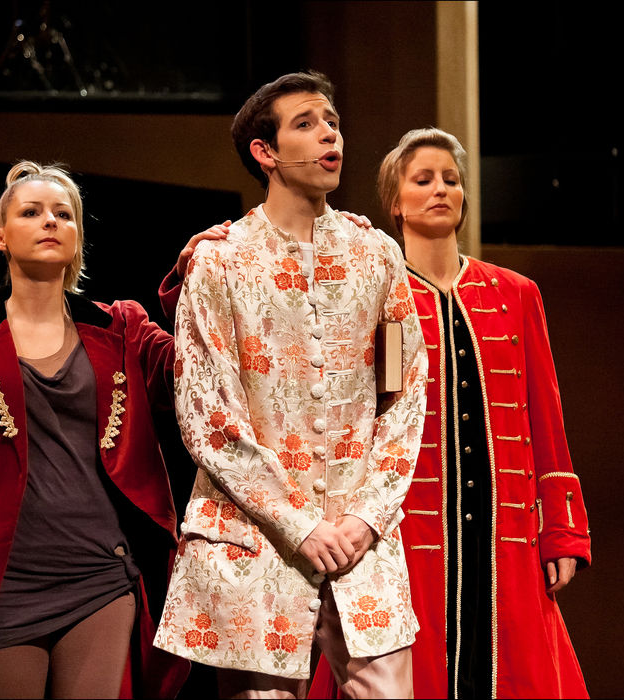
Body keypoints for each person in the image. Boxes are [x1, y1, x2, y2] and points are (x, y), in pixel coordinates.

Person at [152, 71, 428, 699]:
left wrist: (368, 514)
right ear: (265, 152)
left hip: (361, 546)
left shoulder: (376, 255)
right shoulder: (220, 260)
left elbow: (403, 390)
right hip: (255, 542)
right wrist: (296, 521)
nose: (330, 134)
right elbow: (208, 416)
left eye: (332, 122)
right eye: (306, 123)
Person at [0, 161, 225, 699]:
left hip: (100, 576)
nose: (50, 222)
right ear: (0, 236)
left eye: (64, 214)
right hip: (4, 586)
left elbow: (196, 371)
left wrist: (195, 280)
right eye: (31, 212)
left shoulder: (122, 327)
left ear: (78, 236)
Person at [380, 127, 590, 697]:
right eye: (423, 179)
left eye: (451, 180)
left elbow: (545, 418)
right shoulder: (383, 298)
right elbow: (376, 415)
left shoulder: (516, 293)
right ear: (396, 202)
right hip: (413, 531)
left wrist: (562, 532)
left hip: (507, 533)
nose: (440, 189)